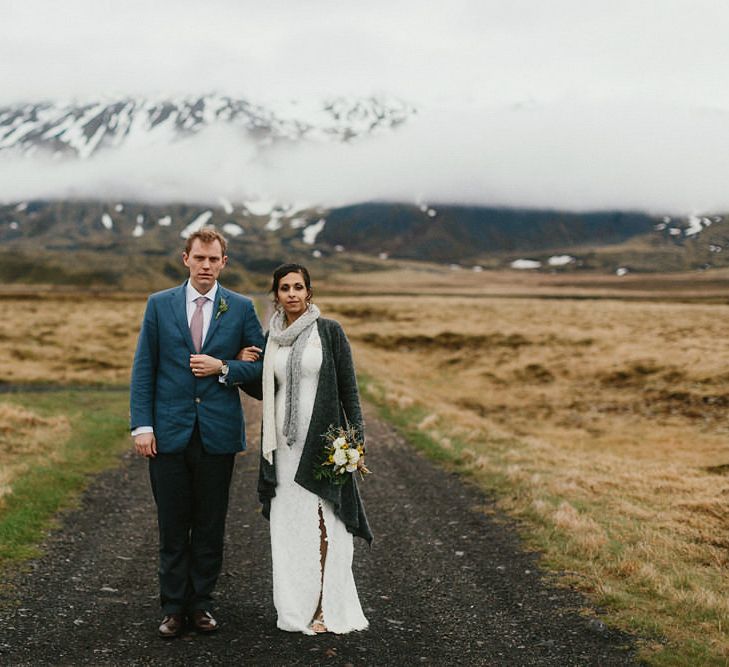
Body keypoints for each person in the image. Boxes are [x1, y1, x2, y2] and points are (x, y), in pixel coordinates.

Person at [130, 227, 265, 638]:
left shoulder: (241, 308)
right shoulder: (159, 305)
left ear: (224, 262)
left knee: (209, 524)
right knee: (173, 526)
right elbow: (144, 369)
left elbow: (262, 371)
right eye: (199, 258)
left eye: (214, 259)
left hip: (217, 436)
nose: (206, 266)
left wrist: (225, 366)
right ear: (185, 259)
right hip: (168, 434)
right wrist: (142, 425)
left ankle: (202, 605)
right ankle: (172, 608)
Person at [255, 263, 372, 635]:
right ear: (276, 295)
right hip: (283, 449)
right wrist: (234, 368)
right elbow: (262, 388)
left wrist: (354, 442)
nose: (292, 293)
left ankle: (325, 607)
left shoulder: (329, 332)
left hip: (321, 444)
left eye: (299, 287)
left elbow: (348, 391)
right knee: (288, 526)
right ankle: (294, 606)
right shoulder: (270, 338)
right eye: (285, 287)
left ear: (309, 292)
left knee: (325, 522)